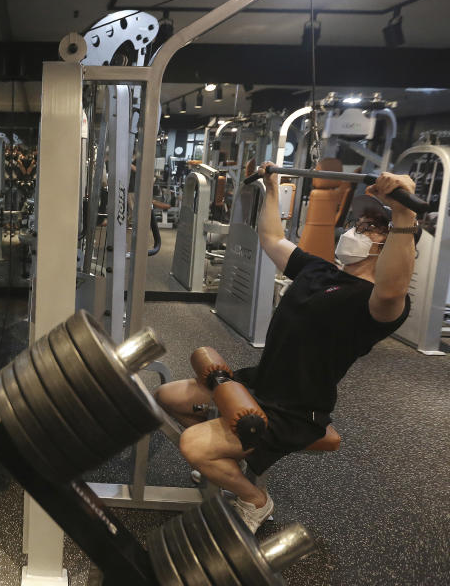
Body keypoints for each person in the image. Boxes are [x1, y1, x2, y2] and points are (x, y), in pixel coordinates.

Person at [155, 162, 419, 533]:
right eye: (354, 227)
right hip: (260, 382)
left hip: (296, 407)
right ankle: (230, 462)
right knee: (169, 396)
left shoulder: (376, 304)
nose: (352, 232)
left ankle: (255, 500)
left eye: (364, 230)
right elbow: (272, 240)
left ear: (385, 245)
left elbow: (393, 286)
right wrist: (272, 188)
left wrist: (404, 213)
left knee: (193, 446)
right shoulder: (320, 270)